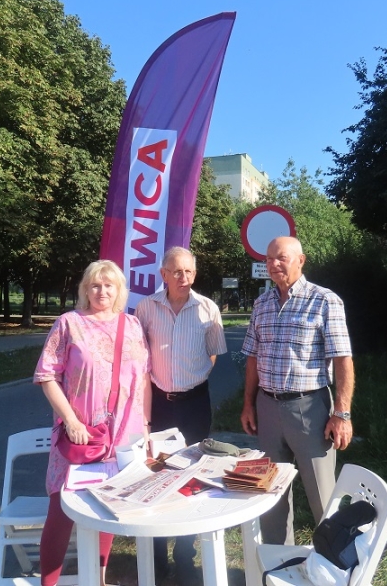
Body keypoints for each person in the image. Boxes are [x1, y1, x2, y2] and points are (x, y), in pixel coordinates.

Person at [34, 260, 151, 586]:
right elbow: (46, 376)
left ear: (119, 290)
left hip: (123, 436)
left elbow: (143, 377)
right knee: (61, 510)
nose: (102, 291)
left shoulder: (132, 325)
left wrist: (145, 424)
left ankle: (98, 579)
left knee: (106, 508)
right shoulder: (69, 323)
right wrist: (71, 421)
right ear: (85, 290)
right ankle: (48, 583)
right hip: (81, 434)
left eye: (109, 285)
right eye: (95, 285)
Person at [240, 236, 355, 545]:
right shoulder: (261, 304)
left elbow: (343, 359)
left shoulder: (324, 300)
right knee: (270, 495)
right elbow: (252, 358)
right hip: (267, 407)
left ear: (301, 260)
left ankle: (337, 562)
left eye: (282, 258)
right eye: (269, 259)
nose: (274, 264)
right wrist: (248, 404)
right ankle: (279, 561)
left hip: (309, 410)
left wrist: (342, 414)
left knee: (323, 498)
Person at [134, 246, 228, 583]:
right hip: (159, 403)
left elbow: (214, 353)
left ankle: (185, 554)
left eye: (188, 271)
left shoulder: (208, 309)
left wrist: (192, 377)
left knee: (193, 475)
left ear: (195, 274)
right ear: (163, 274)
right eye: (176, 271)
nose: (183, 277)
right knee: (156, 473)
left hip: (194, 403)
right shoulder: (146, 308)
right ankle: (156, 557)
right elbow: (137, 355)